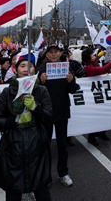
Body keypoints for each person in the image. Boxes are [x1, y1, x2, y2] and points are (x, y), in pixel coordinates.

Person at [0, 59, 53, 200]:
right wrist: (15, 120)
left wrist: (35, 108)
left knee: (42, 192)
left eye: (30, 66)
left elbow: (49, 117)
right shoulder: (7, 93)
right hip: (13, 149)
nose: (26, 69)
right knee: (13, 192)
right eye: (22, 66)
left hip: (37, 147)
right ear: (16, 70)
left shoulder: (42, 91)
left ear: (34, 70)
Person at [36, 44, 79, 187]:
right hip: (45, 113)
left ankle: (63, 173)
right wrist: (40, 82)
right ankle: (45, 174)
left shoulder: (67, 69)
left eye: (56, 52)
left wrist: (70, 81)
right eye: (51, 52)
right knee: (44, 145)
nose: (54, 54)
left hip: (62, 111)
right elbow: (33, 92)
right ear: (46, 55)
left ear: (60, 53)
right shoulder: (41, 71)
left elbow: (74, 90)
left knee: (62, 145)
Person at [82, 48, 111, 145]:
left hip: (100, 93)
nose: (95, 56)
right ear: (88, 57)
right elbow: (101, 70)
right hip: (94, 95)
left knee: (104, 113)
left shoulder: (95, 64)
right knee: (95, 117)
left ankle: (101, 132)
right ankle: (91, 137)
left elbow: (101, 71)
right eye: (92, 55)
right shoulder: (88, 68)